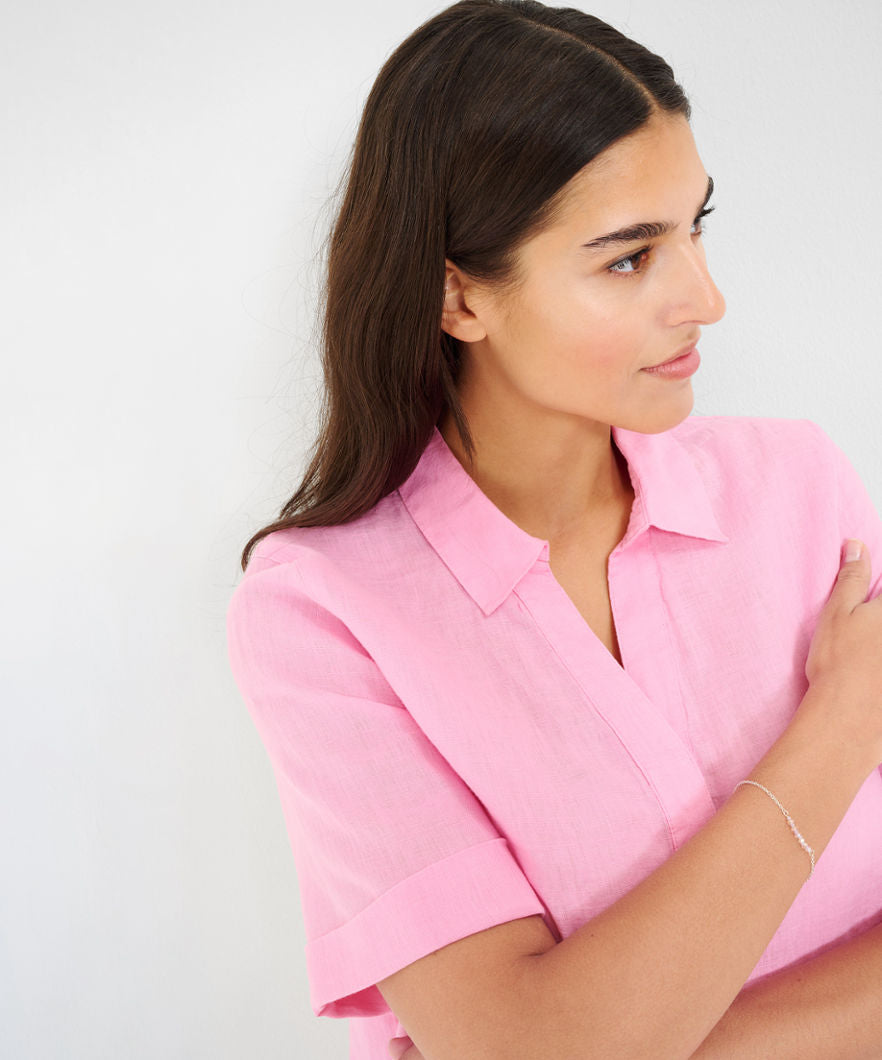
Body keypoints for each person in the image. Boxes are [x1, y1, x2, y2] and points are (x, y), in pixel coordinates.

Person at [226, 1, 882, 1056]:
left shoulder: (799, 487)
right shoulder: (323, 614)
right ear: (458, 298)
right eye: (629, 258)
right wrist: (845, 721)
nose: (706, 298)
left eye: (695, 227)